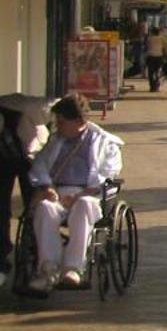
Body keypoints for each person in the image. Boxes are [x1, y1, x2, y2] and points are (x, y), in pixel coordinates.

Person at [21, 92, 123, 294]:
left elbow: (108, 173)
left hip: (89, 194)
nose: (57, 125)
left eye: (61, 121)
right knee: (44, 209)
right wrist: (47, 187)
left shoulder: (104, 143)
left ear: (78, 121)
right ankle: (48, 268)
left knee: (84, 207)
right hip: (58, 192)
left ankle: (74, 268)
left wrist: (81, 194)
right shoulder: (55, 141)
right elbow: (40, 165)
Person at [0, 96, 50, 276]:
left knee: (33, 205)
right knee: (2, 206)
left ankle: (36, 251)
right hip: (7, 156)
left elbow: (44, 118)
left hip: (30, 154)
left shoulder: (25, 112)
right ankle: (3, 254)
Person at [143, 25, 167, 91]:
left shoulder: (149, 38)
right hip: (159, 56)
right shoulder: (161, 38)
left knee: (151, 72)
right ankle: (157, 85)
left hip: (150, 56)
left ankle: (152, 86)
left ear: (152, 32)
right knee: (157, 71)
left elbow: (146, 46)